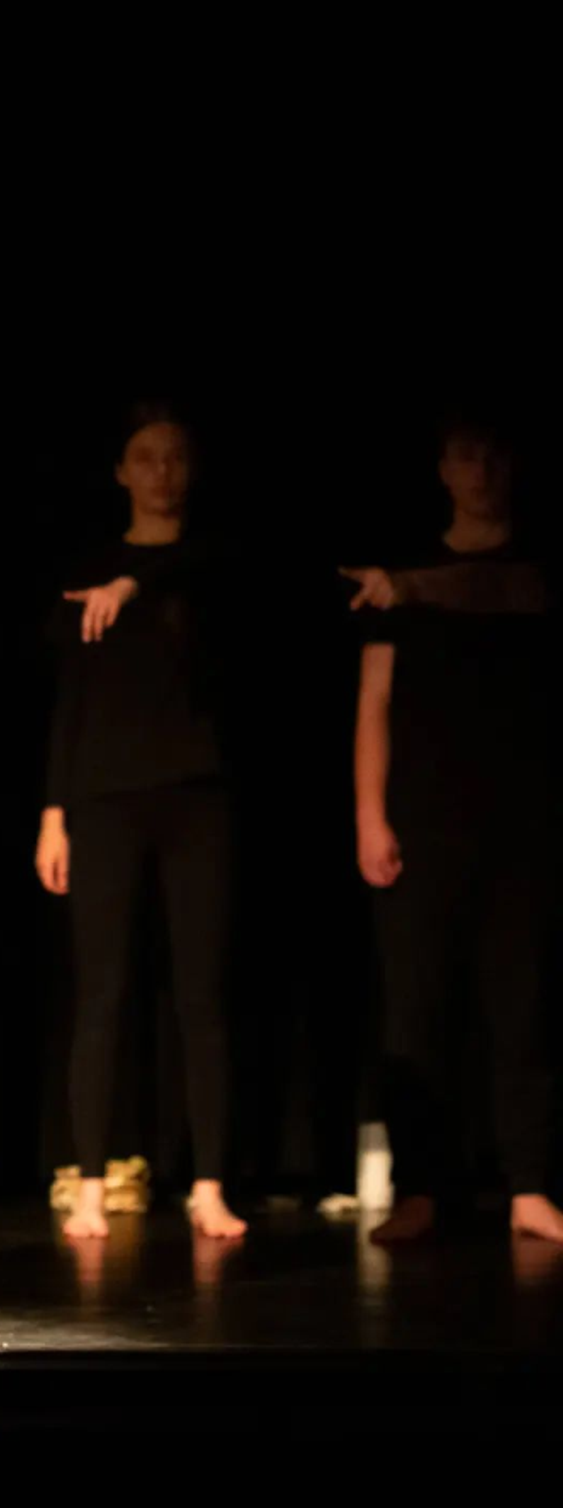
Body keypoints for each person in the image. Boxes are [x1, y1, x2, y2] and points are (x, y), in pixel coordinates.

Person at [34, 402, 247, 1241]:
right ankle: (90, 1182)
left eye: (176, 456)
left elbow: (209, 563)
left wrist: (136, 585)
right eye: (146, 456)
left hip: (198, 796)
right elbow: (70, 700)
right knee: (102, 993)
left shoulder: (209, 564)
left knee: (202, 996)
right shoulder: (88, 570)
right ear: (121, 471)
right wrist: (53, 813)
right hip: (104, 799)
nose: (162, 471)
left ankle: (209, 1185)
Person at [352, 416, 563, 1244]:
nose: (481, 471)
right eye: (466, 456)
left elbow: (515, 592)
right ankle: (421, 1188)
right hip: (423, 820)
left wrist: (409, 588)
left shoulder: (528, 564)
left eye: (494, 455)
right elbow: (374, 701)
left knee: (524, 1006)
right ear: (443, 468)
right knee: (415, 1011)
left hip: (524, 819)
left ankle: (530, 1187)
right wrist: (370, 814)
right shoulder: (396, 578)